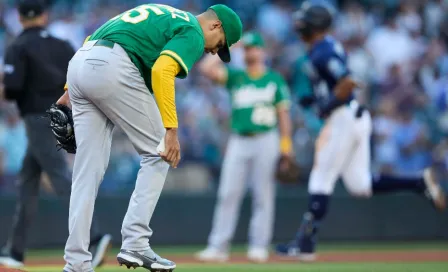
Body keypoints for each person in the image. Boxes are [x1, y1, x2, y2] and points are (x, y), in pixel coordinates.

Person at [54, 3, 242, 272]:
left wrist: (67, 92)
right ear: (215, 25)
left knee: (85, 172)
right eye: (220, 43)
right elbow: (163, 69)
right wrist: (171, 130)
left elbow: (92, 38)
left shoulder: (160, 11)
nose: (213, 51)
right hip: (112, 68)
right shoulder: (193, 30)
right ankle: (136, 243)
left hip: (81, 64)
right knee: (160, 152)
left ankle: (76, 263)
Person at [275, 2, 446, 261]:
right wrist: (320, 103)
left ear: (316, 25)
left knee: (321, 179)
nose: (300, 25)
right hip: (353, 117)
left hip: (343, 117)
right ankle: (418, 182)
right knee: (360, 185)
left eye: (305, 21)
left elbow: (347, 83)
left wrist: (325, 107)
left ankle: (305, 244)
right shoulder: (324, 47)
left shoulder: (322, 52)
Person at [0, 0, 111, 269]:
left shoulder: (18, 46)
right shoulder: (62, 45)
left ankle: (93, 237)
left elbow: (12, 89)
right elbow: (80, 75)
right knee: (29, 179)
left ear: (20, 17)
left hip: (38, 118)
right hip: (66, 114)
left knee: (60, 177)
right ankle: (15, 250)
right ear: (45, 15)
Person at [195, 32, 292, 263]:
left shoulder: (274, 79)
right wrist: (229, 48)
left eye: (254, 48)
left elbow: (284, 114)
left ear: (262, 51)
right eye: (247, 49)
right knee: (228, 193)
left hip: (266, 138)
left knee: (263, 195)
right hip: (239, 139)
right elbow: (205, 69)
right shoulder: (236, 76)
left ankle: (259, 246)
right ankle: (218, 247)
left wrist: (286, 146)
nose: (250, 52)